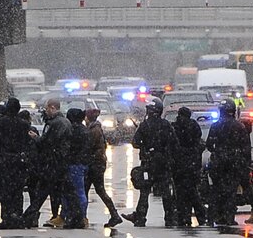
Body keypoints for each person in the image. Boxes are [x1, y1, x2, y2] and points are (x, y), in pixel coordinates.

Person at [122, 98, 178, 227]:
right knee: (165, 192)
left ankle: (140, 217)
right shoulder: (166, 125)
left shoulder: (145, 125)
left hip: (148, 163)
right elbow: (174, 142)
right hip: (163, 164)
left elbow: (135, 143)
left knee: (145, 191)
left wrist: (146, 146)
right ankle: (169, 218)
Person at [23, 98, 71, 228]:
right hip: (59, 162)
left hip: (52, 162)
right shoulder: (64, 122)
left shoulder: (55, 123)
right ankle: (55, 215)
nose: (46, 111)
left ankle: (29, 215)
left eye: (47, 108)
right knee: (55, 192)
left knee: (43, 191)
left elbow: (47, 142)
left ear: (52, 108)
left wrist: (36, 138)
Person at [0, 97, 33, 229]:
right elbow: (27, 143)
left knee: (5, 190)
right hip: (18, 162)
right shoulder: (24, 124)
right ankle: (16, 215)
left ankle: (6, 217)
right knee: (17, 191)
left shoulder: (0, 123)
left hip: (3, 161)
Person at [206, 98, 249, 226]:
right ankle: (229, 217)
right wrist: (243, 161)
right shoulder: (240, 126)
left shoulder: (215, 126)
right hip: (233, 163)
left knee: (216, 190)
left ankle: (214, 216)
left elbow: (209, 144)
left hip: (219, 163)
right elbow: (245, 147)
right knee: (231, 191)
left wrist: (217, 152)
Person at [84, 108, 122, 228]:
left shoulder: (93, 130)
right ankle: (114, 214)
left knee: (90, 190)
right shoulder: (96, 128)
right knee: (98, 191)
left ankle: (82, 216)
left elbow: (89, 147)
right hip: (97, 164)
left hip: (94, 164)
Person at [171, 106, 207, 227]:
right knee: (192, 191)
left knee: (181, 193)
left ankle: (184, 216)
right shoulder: (194, 126)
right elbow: (199, 141)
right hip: (192, 165)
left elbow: (171, 144)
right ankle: (200, 215)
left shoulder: (175, 127)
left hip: (179, 165)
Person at [62, 108, 90, 229]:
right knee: (79, 191)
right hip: (81, 163)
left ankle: (76, 216)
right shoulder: (84, 130)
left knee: (76, 191)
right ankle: (79, 215)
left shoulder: (74, 131)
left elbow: (69, 146)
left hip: (74, 163)